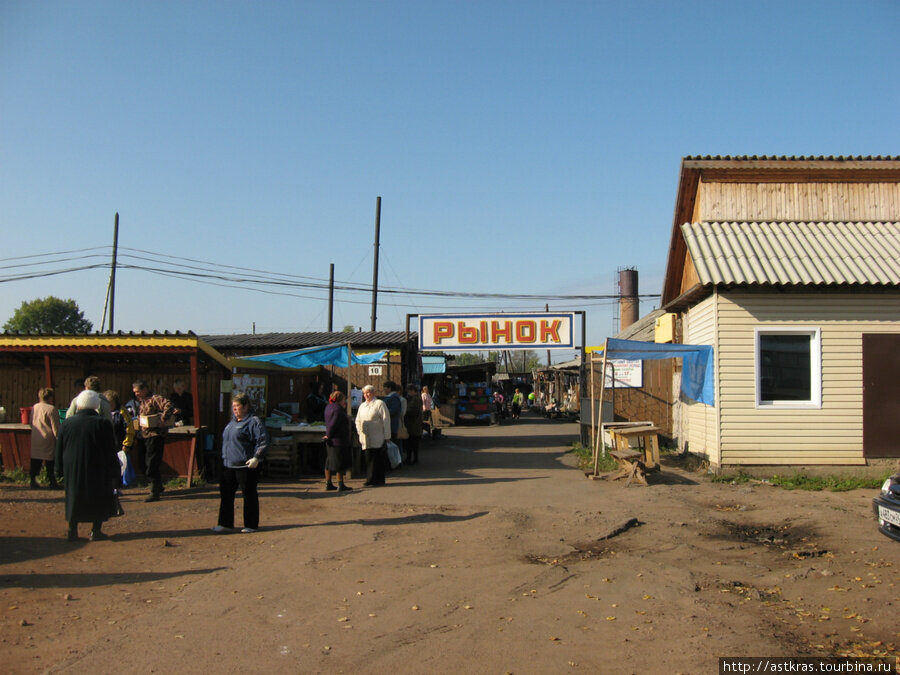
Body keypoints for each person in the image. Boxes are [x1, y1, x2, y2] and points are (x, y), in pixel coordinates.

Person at [55, 389, 119, 541]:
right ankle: (96, 530)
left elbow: (59, 447)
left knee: (73, 495)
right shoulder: (103, 423)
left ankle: (72, 530)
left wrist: (58, 469)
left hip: (72, 465)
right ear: (96, 405)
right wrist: (115, 470)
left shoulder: (67, 423)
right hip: (98, 466)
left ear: (78, 404)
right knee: (98, 495)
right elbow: (110, 449)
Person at [213, 392, 269, 534]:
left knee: (249, 494)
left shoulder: (253, 421)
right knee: (226, 494)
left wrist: (256, 457)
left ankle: (251, 524)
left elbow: (263, 441)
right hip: (228, 465)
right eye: (233, 406)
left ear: (245, 406)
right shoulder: (231, 423)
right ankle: (225, 523)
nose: (235, 409)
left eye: (237, 406)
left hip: (246, 465)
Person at [131, 380, 175, 502]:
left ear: (144, 389)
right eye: (135, 392)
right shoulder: (141, 402)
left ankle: (155, 491)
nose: (136, 394)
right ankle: (158, 485)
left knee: (152, 464)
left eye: (138, 391)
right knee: (142, 463)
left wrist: (163, 419)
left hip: (154, 435)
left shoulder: (155, 399)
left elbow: (169, 405)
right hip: (143, 435)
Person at [355, 384, 390, 487]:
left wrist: (387, 436)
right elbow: (358, 420)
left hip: (378, 436)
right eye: (364, 393)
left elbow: (386, 420)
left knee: (378, 458)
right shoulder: (362, 406)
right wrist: (359, 431)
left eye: (368, 392)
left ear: (373, 393)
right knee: (368, 458)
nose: (366, 395)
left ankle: (379, 479)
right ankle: (370, 479)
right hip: (365, 437)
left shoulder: (380, 404)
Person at [104, 390, 136, 491]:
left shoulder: (122, 412)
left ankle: (117, 487)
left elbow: (129, 429)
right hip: (106, 444)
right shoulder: (103, 412)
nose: (109, 406)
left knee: (118, 467)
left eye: (111, 404)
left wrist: (127, 444)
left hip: (118, 444)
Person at [30, 388, 60, 489]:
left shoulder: (35, 407)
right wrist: (58, 437)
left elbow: (31, 423)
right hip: (48, 438)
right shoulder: (52, 409)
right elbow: (55, 427)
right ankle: (51, 480)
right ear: (50, 397)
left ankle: (32, 479)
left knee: (35, 459)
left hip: (36, 436)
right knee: (50, 460)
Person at [323, 391, 352, 491]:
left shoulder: (328, 407)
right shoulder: (338, 409)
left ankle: (328, 483)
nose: (345, 402)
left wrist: (327, 436)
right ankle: (340, 484)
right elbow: (333, 424)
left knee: (329, 462)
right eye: (344, 399)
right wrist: (328, 435)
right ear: (340, 399)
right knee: (339, 462)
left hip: (330, 440)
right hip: (338, 439)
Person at [382, 380, 403, 460]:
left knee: (393, 444)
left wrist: (383, 413)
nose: (384, 390)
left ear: (389, 388)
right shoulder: (391, 397)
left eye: (385, 388)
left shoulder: (394, 397)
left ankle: (396, 461)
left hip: (392, 425)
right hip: (390, 425)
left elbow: (393, 410)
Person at [404, 384, 424, 465]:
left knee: (413, 442)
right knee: (410, 442)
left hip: (414, 424)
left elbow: (414, 411)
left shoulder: (417, 399)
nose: (408, 393)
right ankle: (410, 458)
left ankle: (414, 459)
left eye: (409, 391)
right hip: (412, 424)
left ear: (413, 391)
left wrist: (405, 413)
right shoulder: (412, 398)